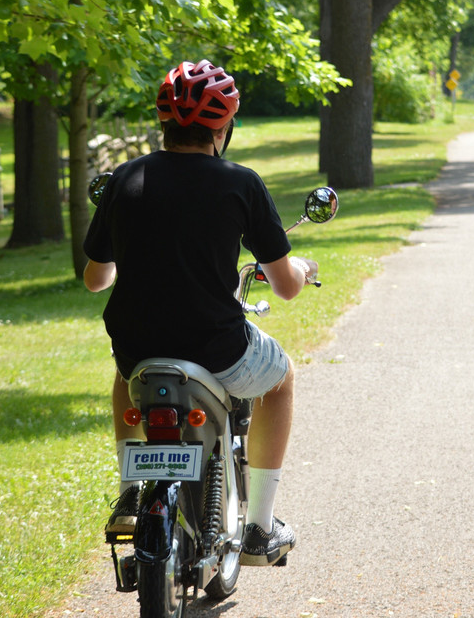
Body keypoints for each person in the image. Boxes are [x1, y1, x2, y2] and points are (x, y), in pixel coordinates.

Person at [82, 58, 317, 567]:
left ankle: (129, 491)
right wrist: (301, 264)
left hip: (138, 346)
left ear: (163, 121)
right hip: (217, 346)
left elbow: (95, 278)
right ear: (223, 125)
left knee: (127, 377)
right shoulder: (240, 182)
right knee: (281, 381)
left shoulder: (124, 179)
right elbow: (286, 287)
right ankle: (258, 527)